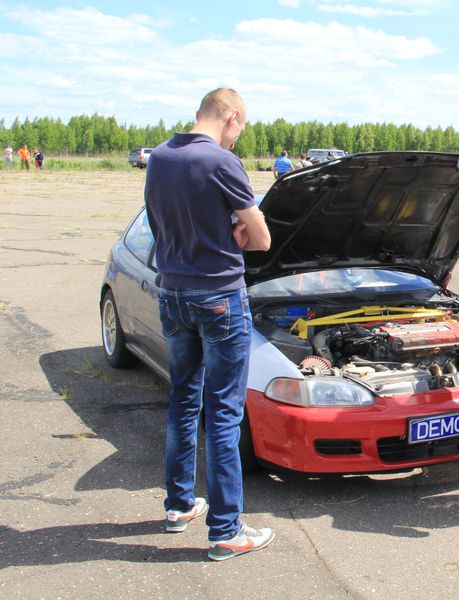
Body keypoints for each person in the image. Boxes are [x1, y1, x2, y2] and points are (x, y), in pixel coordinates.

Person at [144, 87, 275, 560]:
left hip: (172, 292)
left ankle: (179, 507)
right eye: (240, 128)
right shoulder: (220, 163)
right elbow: (260, 238)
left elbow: (161, 225)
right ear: (231, 116)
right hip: (218, 297)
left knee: (183, 400)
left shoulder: (159, 157)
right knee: (223, 413)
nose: (238, 138)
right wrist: (237, 233)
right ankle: (225, 530)